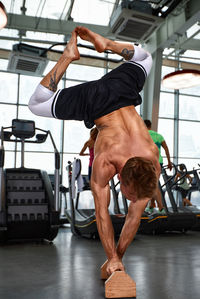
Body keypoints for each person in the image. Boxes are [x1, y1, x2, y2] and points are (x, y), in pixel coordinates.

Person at [29, 26, 160, 276]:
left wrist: (116, 260)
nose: (133, 201)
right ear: (120, 177)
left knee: (145, 58)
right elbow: (102, 215)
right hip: (96, 101)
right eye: (131, 196)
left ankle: (106, 43)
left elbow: (134, 218)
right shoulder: (106, 161)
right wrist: (112, 257)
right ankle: (68, 56)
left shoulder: (149, 163)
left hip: (121, 87)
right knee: (37, 105)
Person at [144, 119, 172, 214]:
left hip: (147, 162)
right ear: (150, 125)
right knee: (153, 183)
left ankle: (161, 207)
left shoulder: (142, 135)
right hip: (158, 162)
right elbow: (166, 148)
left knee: (152, 184)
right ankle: (152, 205)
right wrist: (169, 161)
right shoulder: (159, 136)